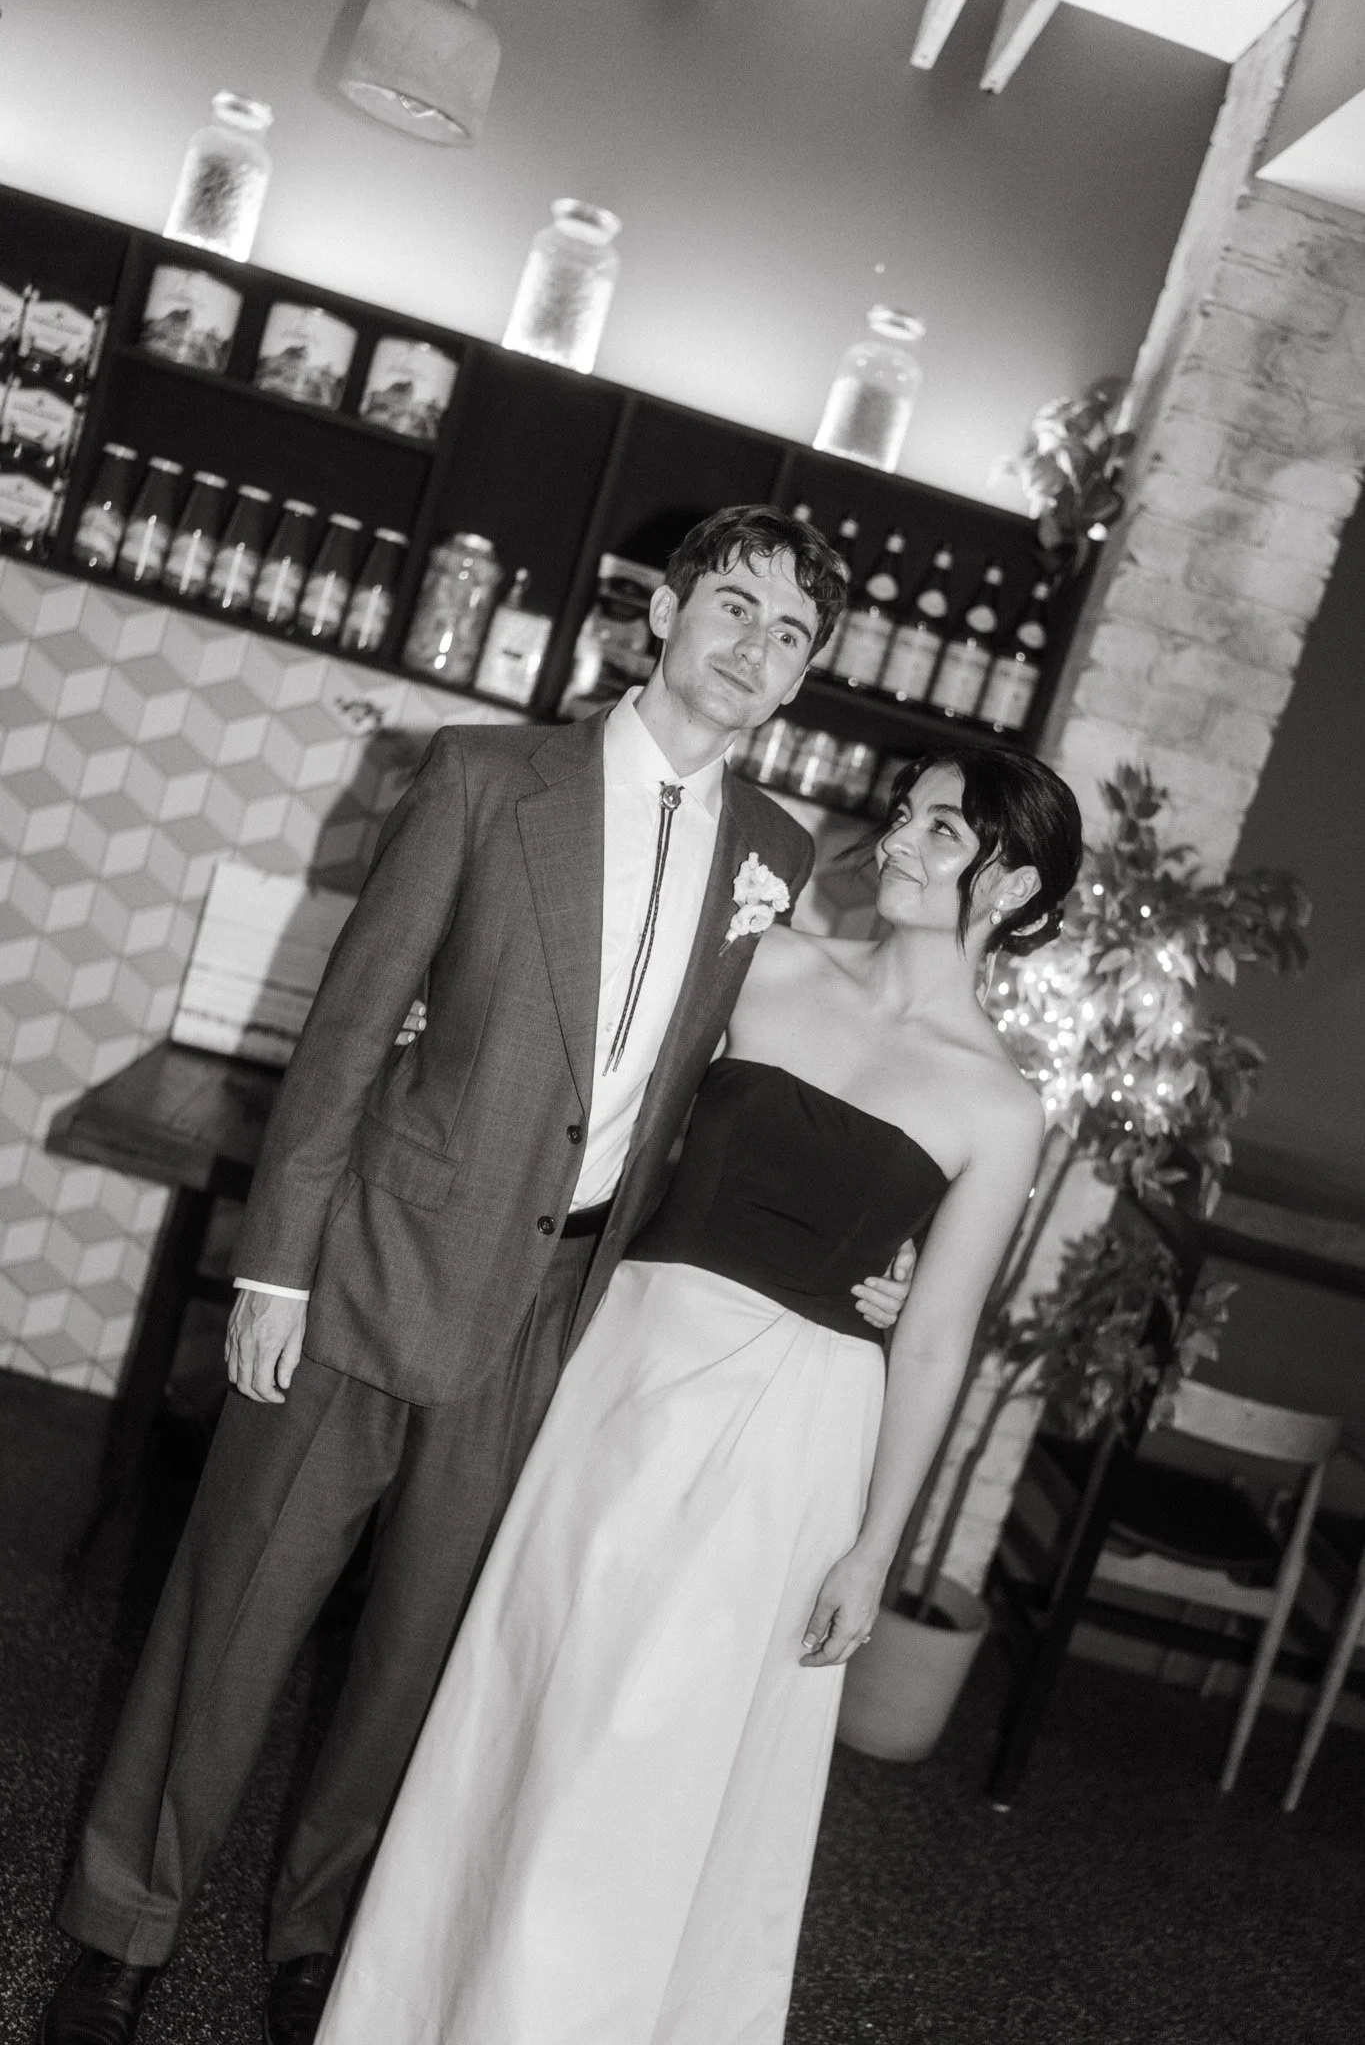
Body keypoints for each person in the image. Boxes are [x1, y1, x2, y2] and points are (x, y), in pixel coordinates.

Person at [41, 507, 914, 2045]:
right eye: (734, 607)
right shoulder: (484, 779)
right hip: (371, 1270)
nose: (755, 648)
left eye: (791, 637)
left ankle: (329, 1943)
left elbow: (765, 1092)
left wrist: (866, 1249)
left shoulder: (778, 860)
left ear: (800, 682)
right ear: (662, 614)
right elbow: (347, 1030)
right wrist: (275, 1272)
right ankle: (124, 1934)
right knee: (231, 1615)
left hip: (559, 1320)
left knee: (427, 1662)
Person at [313, 739, 1084, 2045]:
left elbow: (936, 1342)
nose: (897, 841)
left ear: (1012, 889)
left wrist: (876, 1550)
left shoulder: (1001, 1110)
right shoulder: (769, 966)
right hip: (629, 1369)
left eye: (943, 833)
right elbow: (610, 1099)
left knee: (655, 1746)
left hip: (789, 1438)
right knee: (534, 1683)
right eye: (904, 814)